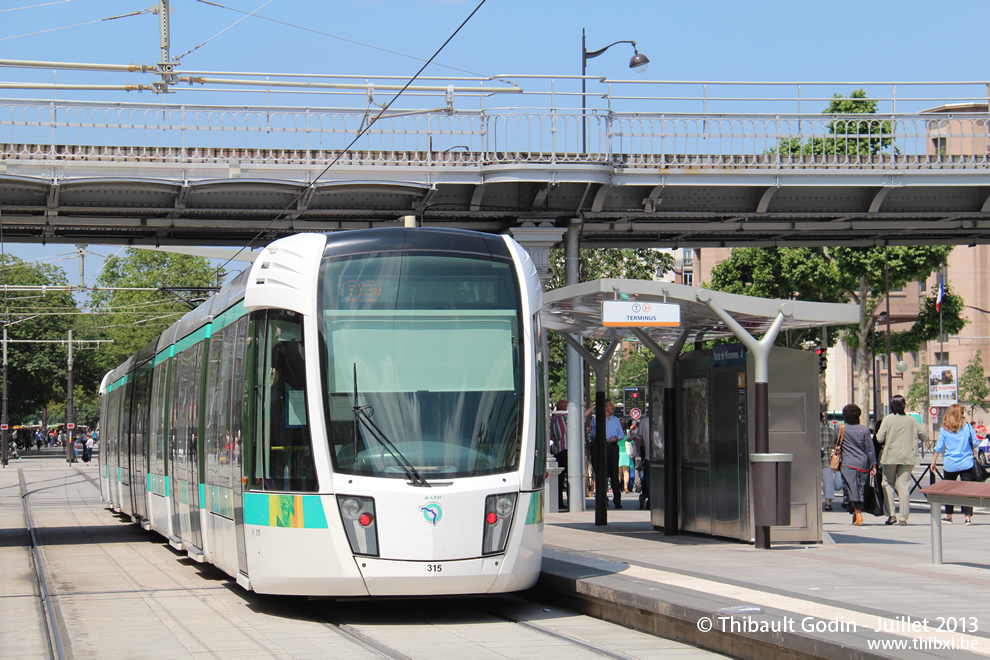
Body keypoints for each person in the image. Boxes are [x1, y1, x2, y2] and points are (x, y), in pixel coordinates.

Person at [875, 395, 926, 526]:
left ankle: (891, 514)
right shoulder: (912, 420)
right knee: (904, 486)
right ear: (904, 405)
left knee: (888, 483)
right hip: (908, 456)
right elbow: (924, 435)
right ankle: (904, 517)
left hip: (890, 456)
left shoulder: (888, 419)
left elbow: (879, 438)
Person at [931, 404, 980, 525]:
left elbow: (939, 447)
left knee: (949, 490)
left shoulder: (944, 429)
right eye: (962, 413)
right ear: (960, 415)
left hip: (950, 464)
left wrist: (934, 462)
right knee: (967, 491)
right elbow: (975, 443)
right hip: (966, 463)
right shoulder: (968, 427)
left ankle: (949, 515)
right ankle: (967, 517)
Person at [838, 403, 877, 526]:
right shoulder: (864, 430)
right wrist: (874, 464)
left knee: (850, 488)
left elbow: (836, 443)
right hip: (862, 463)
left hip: (847, 463)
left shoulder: (840, 428)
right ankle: (857, 513)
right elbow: (870, 449)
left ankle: (858, 513)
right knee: (860, 488)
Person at [590, 399, 625, 509]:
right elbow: (592, 435)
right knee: (602, 473)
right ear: (605, 407)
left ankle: (617, 499)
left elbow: (622, 434)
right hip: (601, 447)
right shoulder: (596, 420)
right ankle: (602, 498)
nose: (612, 407)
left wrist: (616, 438)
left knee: (614, 473)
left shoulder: (615, 420)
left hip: (613, 447)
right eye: (610, 405)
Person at [549, 399, 568, 511]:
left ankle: (559, 502)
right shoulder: (564, 418)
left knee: (559, 479)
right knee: (570, 477)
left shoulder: (554, 420)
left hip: (558, 450)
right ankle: (571, 501)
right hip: (566, 450)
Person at [819, 412, 840, 511]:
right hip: (826, 460)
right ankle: (827, 503)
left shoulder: (810, 431)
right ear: (822, 419)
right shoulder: (829, 431)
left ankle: (814, 501)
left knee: (812, 483)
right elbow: (834, 446)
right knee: (828, 482)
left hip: (811, 461)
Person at [618, 418, 633, 493]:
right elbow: (632, 441)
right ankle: (626, 486)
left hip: (618, 453)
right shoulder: (628, 432)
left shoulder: (617, 432)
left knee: (618, 472)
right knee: (626, 472)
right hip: (626, 453)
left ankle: (617, 486)